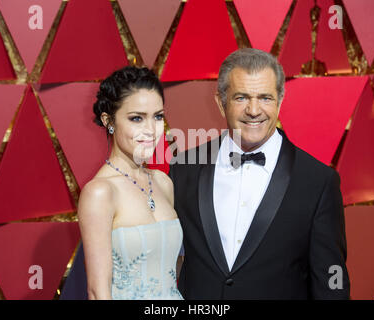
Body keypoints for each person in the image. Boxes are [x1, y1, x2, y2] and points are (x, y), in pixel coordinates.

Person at [169, 48, 350, 299]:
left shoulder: (318, 181)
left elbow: (331, 284)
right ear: (220, 103)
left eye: (265, 98)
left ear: (280, 100)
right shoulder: (184, 168)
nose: (254, 110)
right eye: (241, 98)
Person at [78, 66, 183, 300]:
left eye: (157, 117)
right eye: (136, 118)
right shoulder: (100, 192)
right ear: (109, 121)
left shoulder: (164, 183)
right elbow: (98, 292)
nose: (150, 130)